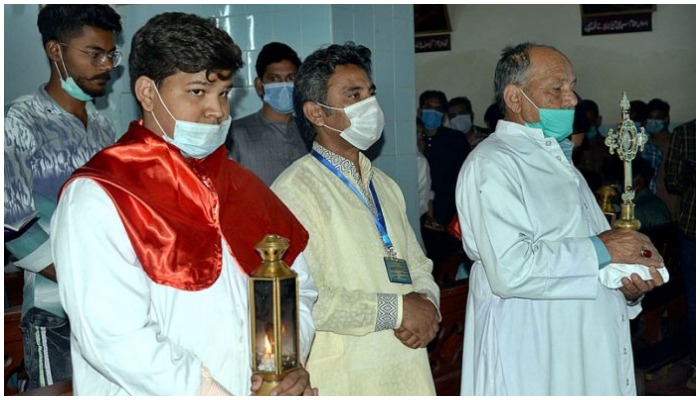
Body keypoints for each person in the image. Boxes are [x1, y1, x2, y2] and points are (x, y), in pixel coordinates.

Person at [50, 12, 317, 396]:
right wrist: (211, 391)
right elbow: (113, 337)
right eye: (197, 92)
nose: (218, 111)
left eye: (224, 93)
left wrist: (283, 364)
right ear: (147, 93)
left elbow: (299, 287)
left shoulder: (243, 185)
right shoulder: (101, 193)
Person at [455, 42, 665, 395]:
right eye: (557, 88)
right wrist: (604, 247)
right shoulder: (492, 163)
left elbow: (591, 258)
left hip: (584, 343)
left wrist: (625, 287)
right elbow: (511, 269)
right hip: (534, 345)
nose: (571, 100)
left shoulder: (559, 161)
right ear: (515, 98)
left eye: (572, 87)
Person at [271, 42, 440, 395]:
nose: (370, 105)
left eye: (370, 93)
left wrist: (427, 302)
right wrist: (397, 311)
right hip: (346, 372)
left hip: (406, 362)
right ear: (316, 113)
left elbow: (417, 262)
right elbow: (301, 297)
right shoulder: (294, 190)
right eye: (353, 94)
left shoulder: (384, 184)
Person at [3, 5, 122, 390]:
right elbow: (12, 225)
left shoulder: (105, 128)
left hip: (110, 307)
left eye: (111, 54)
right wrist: (80, 277)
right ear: (56, 51)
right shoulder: (19, 121)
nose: (106, 65)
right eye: (94, 54)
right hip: (53, 310)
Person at [226, 42, 309, 186]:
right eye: (274, 79)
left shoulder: (309, 132)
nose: (283, 85)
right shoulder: (236, 134)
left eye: (290, 78)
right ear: (259, 85)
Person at [417, 90, 470, 265]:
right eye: (428, 108)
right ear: (419, 110)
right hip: (420, 217)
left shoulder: (455, 140)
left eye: (438, 109)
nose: (433, 113)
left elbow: (464, 180)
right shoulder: (410, 138)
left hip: (448, 217)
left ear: (444, 115)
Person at [664, 119, 696, 390]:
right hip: (693, 229)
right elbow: (672, 181)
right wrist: (690, 175)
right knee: (695, 301)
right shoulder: (685, 133)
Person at [646, 98, 680, 219]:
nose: (653, 121)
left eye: (657, 117)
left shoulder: (674, 143)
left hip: (668, 201)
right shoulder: (645, 143)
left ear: (666, 119)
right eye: (650, 117)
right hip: (649, 203)